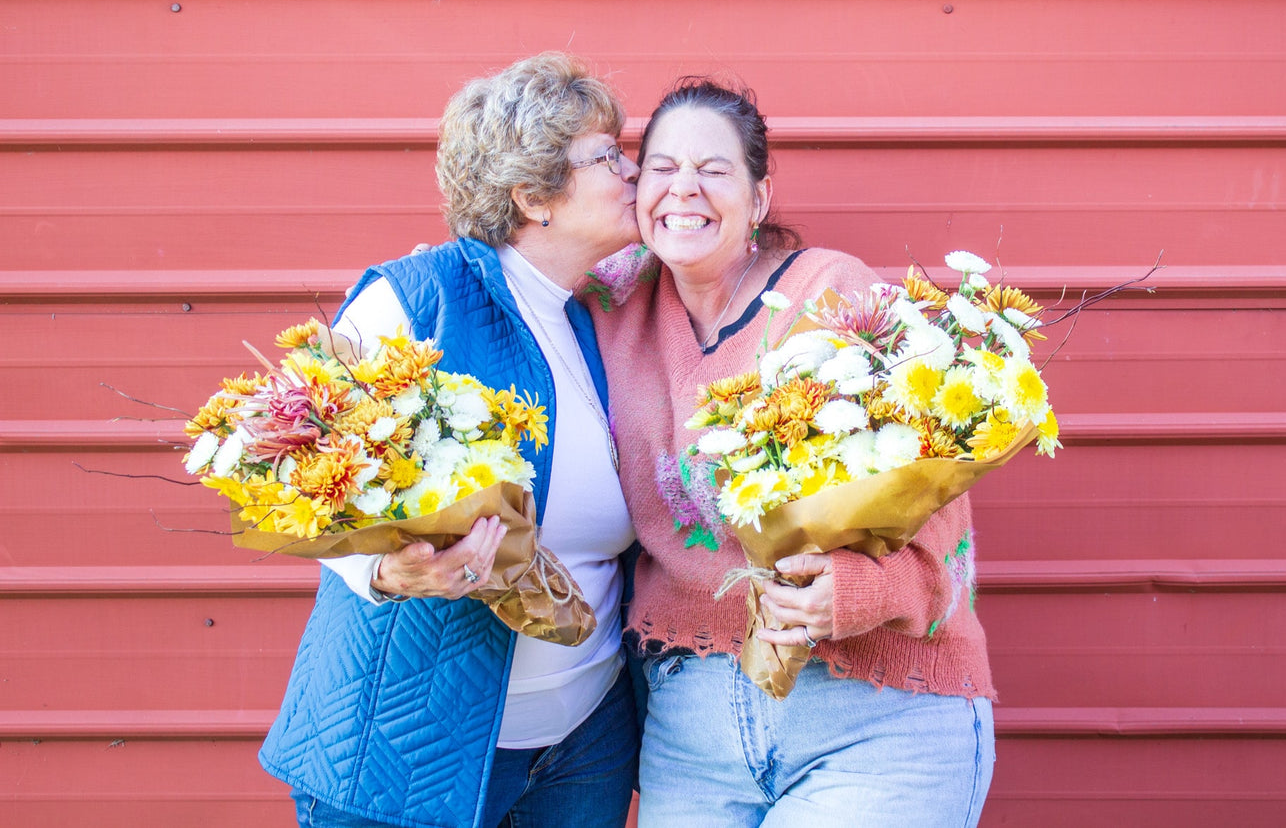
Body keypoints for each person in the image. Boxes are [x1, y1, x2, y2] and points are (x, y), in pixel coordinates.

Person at [589, 79, 997, 827]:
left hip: (872, 712)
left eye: (714, 170)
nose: (684, 189)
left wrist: (861, 589)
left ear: (760, 195)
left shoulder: (834, 293)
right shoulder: (610, 305)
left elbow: (940, 499)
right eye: (661, 168)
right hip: (692, 729)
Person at [259, 52, 641, 828]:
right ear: (533, 194)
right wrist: (386, 569)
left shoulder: (592, 317)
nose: (632, 171)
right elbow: (299, 482)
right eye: (606, 155)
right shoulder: (416, 297)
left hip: (583, 747)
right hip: (413, 745)